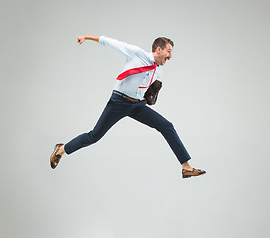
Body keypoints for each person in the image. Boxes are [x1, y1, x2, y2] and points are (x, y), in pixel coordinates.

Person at [50, 35, 206, 178]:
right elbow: (110, 43)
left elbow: (146, 90)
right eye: (169, 51)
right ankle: (62, 149)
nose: (171, 56)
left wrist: (149, 95)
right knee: (94, 136)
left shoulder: (158, 73)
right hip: (118, 102)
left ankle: (186, 167)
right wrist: (87, 37)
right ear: (159, 49)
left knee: (166, 126)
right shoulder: (137, 53)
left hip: (137, 106)